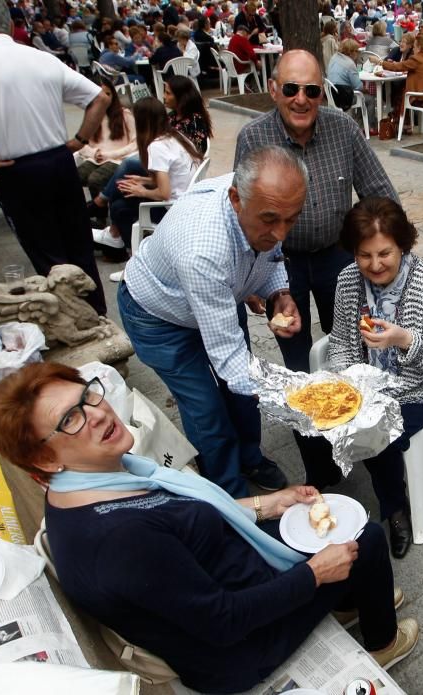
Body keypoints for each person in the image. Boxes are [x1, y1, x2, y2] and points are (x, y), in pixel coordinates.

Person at [0, 361, 419, 694]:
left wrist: (270, 503)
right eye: (70, 420)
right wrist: (315, 574)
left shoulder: (96, 481)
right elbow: (223, 623)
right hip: (239, 650)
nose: (97, 413)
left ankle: (343, 600)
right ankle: (383, 641)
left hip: (230, 575)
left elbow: (194, 518)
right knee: (367, 539)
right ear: (44, 459)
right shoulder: (118, 540)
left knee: (315, 525)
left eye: (89, 397)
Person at [234, 49, 398, 472]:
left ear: (322, 92)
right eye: (291, 88)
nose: (301, 99)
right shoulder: (254, 137)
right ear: (274, 90)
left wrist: (394, 252)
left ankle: (363, 440)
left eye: (311, 89)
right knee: (297, 362)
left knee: (354, 349)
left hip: (336, 258)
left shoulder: (343, 128)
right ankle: (321, 467)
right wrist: (252, 276)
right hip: (278, 264)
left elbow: (378, 191)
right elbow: (243, 211)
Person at [118, 146, 304, 498]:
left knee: (243, 398)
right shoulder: (203, 250)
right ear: (235, 199)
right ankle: (232, 496)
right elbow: (230, 360)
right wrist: (299, 399)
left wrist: (279, 292)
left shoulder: (267, 201)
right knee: (207, 409)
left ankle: (250, 457)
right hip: (158, 316)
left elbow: (270, 254)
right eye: (270, 220)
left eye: (291, 219)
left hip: (218, 294)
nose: (281, 233)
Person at [301, 197, 423, 557]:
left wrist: (403, 339)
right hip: (363, 385)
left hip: (415, 389)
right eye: (364, 255)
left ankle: (396, 510)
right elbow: (340, 340)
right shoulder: (347, 280)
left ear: (402, 244)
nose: (374, 265)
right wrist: (346, 381)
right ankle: (323, 482)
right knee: (307, 413)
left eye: (384, 253)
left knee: (379, 435)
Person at [0, 0, 109, 316]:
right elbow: (99, 97)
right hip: (58, 162)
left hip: (19, 170)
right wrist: (78, 140)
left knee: (46, 251)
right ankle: (94, 312)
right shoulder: (41, 59)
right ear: (8, 25)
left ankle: (73, 317)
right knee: (77, 243)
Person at [96, 96, 199, 251]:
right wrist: (144, 181)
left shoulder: (157, 146)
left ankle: (131, 252)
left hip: (173, 210)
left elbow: (164, 193)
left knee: (119, 207)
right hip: (188, 202)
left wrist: (142, 191)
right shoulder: (177, 136)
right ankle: (114, 234)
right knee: (128, 182)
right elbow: (173, 178)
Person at [76, 77, 137, 200]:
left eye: (108, 94)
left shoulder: (125, 114)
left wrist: (111, 154)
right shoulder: (91, 115)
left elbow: (135, 143)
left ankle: (99, 213)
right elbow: (81, 142)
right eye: (99, 95)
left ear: (113, 95)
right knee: (74, 176)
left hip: (118, 160)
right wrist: (95, 153)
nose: (105, 99)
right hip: (95, 159)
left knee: (95, 179)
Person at [380, 31, 423, 131]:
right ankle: (403, 123)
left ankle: (403, 123)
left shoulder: (417, 59)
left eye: (415, 46)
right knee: (401, 91)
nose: (413, 48)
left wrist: (380, 62)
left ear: (420, 47)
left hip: (421, 98)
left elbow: (397, 66)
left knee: (399, 94)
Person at [327, 39, 377, 130]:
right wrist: (366, 89)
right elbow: (358, 86)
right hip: (344, 97)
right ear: (351, 52)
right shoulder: (349, 63)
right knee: (370, 99)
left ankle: (359, 122)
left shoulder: (334, 57)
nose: (357, 54)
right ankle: (371, 127)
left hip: (332, 94)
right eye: (357, 51)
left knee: (361, 96)